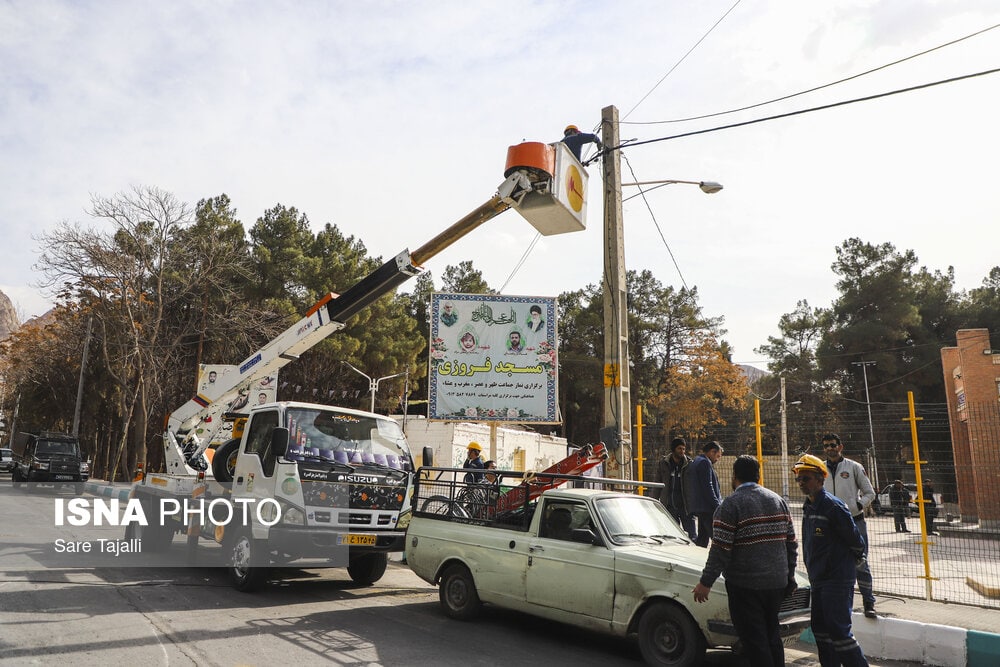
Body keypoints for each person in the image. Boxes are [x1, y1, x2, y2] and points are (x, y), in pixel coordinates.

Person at [692, 455, 798, 667]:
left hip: (745, 586)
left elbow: (720, 549)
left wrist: (706, 583)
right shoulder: (778, 501)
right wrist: (790, 576)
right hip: (776, 584)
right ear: (759, 475)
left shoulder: (730, 505)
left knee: (755, 642)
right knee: (772, 636)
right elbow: (791, 544)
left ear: (734, 476)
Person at [793, 454, 870, 667]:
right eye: (799, 479)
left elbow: (856, 541)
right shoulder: (809, 507)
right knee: (820, 629)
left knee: (838, 631)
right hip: (818, 578)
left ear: (820, 479)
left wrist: (845, 564)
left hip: (836, 579)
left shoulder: (833, 507)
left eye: (806, 478)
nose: (801, 483)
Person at [822, 433, 878, 618]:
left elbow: (870, 492)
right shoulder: (820, 469)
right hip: (831, 524)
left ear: (840, 446)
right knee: (834, 563)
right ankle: (842, 603)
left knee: (860, 562)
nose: (830, 448)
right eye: (826, 446)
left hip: (855, 521)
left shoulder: (854, 467)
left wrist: (859, 505)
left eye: (832, 445)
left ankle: (869, 602)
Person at [654, 437, 696, 540]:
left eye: (683, 449)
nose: (682, 451)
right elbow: (657, 484)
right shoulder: (664, 463)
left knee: (692, 535)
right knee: (673, 536)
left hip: (685, 507)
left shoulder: (689, 464)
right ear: (673, 449)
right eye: (679, 449)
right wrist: (654, 502)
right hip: (670, 506)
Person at [684, 441, 723, 547]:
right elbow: (708, 487)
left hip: (700, 507)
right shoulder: (704, 463)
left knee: (702, 538)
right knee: (717, 540)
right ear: (712, 452)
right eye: (717, 456)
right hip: (707, 508)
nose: (717, 459)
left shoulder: (696, 461)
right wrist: (717, 505)